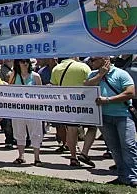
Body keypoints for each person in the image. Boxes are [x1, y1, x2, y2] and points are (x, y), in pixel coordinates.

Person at [85, 56, 137, 186]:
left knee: (128, 145)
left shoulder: (121, 74)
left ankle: (132, 177)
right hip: (104, 117)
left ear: (104, 59)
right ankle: (122, 176)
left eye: (93, 59)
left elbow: (130, 93)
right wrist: (100, 75)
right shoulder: (93, 74)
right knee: (114, 148)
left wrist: (107, 100)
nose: (91, 62)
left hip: (123, 116)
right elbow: (86, 87)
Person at [50, 57, 93, 166]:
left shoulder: (56, 68)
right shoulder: (83, 67)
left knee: (71, 130)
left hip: (66, 104)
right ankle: (84, 152)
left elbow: (54, 87)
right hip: (84, 103)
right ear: (74, 56)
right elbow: (91, 84)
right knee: (92, 127)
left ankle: (73, 157)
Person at [7, 58, 44, 165]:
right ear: (18, 63)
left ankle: (37, 158)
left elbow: (41, 93)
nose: (25, 64)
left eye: (27, 61)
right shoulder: (13, 76)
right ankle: (21, 156)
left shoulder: (35, 76)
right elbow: (9, 91)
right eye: (22, 61)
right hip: (18, 109)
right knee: (19, 133)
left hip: (33, 110)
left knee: (36, 133)